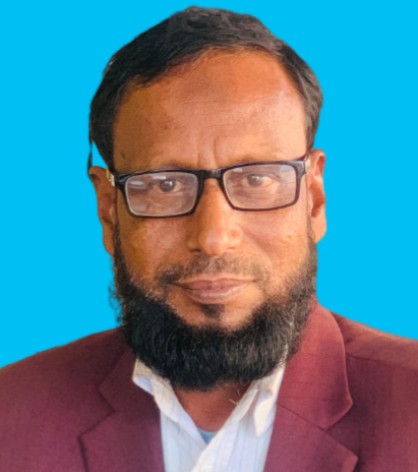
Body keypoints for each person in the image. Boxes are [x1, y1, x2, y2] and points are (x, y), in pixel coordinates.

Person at [1, 6, 417, 472]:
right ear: (108, 212)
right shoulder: (10, 415)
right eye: (164, 185)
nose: (214, 237)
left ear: (315, 200)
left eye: (257, 179)